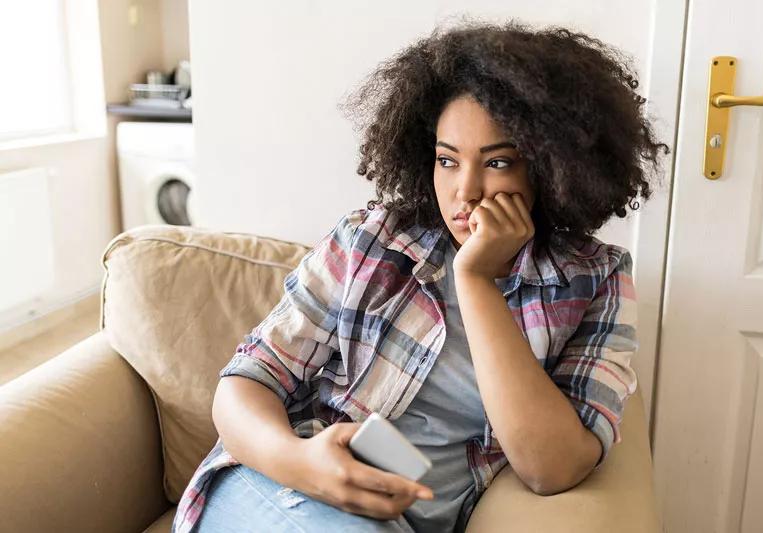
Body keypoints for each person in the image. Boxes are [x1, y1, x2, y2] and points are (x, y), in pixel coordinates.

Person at [172, 17, 669, 533]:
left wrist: (475, 280)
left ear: (550, 167)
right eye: (447, 161)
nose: (466, 190)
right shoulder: (373, 240)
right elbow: (245, 381)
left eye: (498, 163)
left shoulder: (595, 282)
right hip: (278, 484)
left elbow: (552, 468)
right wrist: (304, 465)